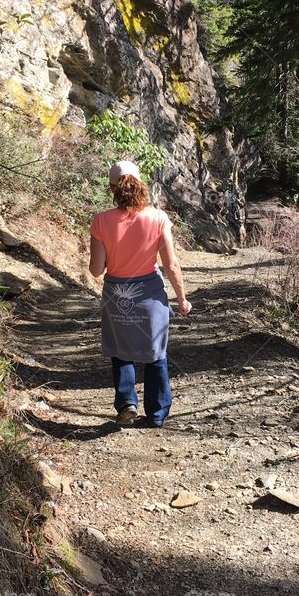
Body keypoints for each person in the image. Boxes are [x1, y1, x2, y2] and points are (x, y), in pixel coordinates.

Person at [89, 160, 192, 428]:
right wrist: (181, 298)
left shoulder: (101, 221)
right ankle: (157, 415)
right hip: (150, 295)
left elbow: (96, 269)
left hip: (116, 294)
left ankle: (127, 403)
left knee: (121, 351)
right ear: (140, 183)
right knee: (155, 353)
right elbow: (170, 264)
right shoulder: (158, 218)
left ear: (112, 188)